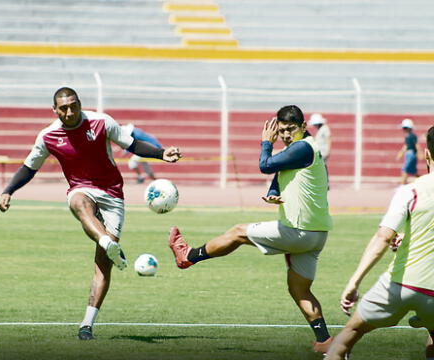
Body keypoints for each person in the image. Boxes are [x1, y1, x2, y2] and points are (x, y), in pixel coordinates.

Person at [0, 87, 182, 340]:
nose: (70, 111)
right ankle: (106, 241)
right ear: (55, 110)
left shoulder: (101, 122)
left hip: (113, 194)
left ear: (80, 103)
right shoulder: (49, 136)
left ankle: (87, 324)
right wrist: (8, 191)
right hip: (81, 189)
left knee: (103, 265)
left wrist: (162, 153)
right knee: (78, 203)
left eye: (74, 105)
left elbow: (133, 144)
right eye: (63, 107)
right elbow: (29, 168)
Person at [168, 105, 334, 354]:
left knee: (238, 231)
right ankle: (326, 342)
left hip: (298, 232)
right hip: (317, 234)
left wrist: (266, 142)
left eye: (291, 130)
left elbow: (266, 166)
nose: (286, 135)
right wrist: (273, 192)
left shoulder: (301, 147)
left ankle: (188, 255)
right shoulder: (301, 148)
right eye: (281, 130)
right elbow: (279, 174)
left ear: (303, 127)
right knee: (299, 289)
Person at [325, 125, 434, 360]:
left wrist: (354, 283)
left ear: (426, 153)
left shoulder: (411, 191)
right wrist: (410, 237)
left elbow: (383, 237)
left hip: (400, 284)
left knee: (348, 334)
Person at [396, 118, 419, 185]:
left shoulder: (410, 136)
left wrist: (401, 153)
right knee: (414, 172)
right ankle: (422, 182)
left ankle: (403, 185)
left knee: (405, 170)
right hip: (411, 154)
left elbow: (415, 145)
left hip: (410, 154)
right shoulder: (410, 136)